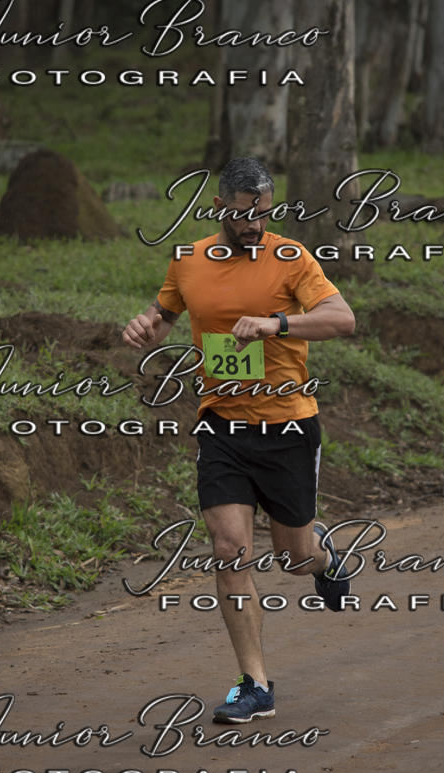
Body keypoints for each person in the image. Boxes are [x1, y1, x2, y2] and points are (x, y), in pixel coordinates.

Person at [123, 158, 355, 724]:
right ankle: (255, 684)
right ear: (220, 206)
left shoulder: (291, 257)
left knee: (294, 558)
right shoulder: (189, 259)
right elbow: (164, 313)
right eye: (243, 214)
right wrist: (145, 326)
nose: (253, 225)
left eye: (263, 214)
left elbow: (342, 319)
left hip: (288, 426)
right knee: (230, 550)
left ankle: (324, 556)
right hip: (221, 425)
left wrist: (276, 324)